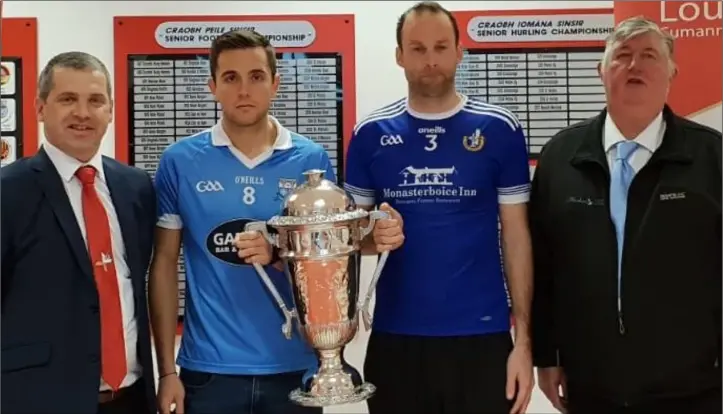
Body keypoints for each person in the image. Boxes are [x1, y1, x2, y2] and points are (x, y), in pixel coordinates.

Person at [149, 29, 404, 414]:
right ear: (212, 86)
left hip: (294, 366)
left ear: (275, 84)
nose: (244, 90)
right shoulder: (179, 161)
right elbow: (164, 264)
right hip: (208, 370)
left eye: (256, 76)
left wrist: (377, 235)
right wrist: (167, 370)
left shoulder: (309, 159)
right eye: (231, 78)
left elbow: (329, 252)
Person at [343, 2, 535, 413]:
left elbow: (517, 235)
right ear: (398, 55)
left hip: (483, 339)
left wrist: (524, 344)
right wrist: (370, 238)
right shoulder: (370, 134)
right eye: (417, 48)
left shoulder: (499, 128)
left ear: (459, 51)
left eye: (440, 47)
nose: (430, 60)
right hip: (397, 341)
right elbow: (348, 239)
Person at [530, 16, 722, 414]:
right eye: (623, 55)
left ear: (672, 71)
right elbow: (544, 266)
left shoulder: (712, 156)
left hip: (694, 388)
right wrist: (546, 355)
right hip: (590, 386)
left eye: (649, 55)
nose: (635, 66)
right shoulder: (561, 157)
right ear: (602, 70)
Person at [0, 52, 157, 413]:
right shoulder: (8, 191)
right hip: (38, 399)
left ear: (111, 110)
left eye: (95, 100)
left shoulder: (135, 187)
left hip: (132, 397)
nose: (83, 113)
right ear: (40, 108)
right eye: (67, 99)